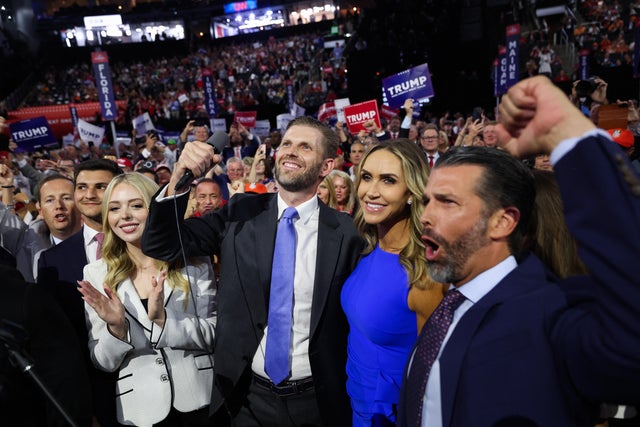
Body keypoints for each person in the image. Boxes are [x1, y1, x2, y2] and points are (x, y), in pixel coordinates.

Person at [397, 75, 640, 426]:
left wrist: (571, 136)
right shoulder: (450, 305)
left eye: (447, 202)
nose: (427, 216)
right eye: (427, 202)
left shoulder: (552, 312)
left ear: (502, 222)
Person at [141, 116, 364, 426]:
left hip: (318, 402)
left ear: (326, 167)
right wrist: (180, 177)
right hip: (246, 399)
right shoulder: (240, 212)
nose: (290, 151)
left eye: (304, 147)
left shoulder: (349, 234)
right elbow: (161, 244)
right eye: (286, 143)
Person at [77, 173, 216, 427]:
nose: (125, 216)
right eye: (115, 208)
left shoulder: (193, 260)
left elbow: (215, 333)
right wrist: (117, 329)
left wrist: (164, 321)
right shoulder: (96, 274)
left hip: (202, 403)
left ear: (156, 210)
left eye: (137, 205)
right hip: (140, 413)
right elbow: (103, 362)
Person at [341, 140, 445, 426]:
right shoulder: (368, 247)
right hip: (356, 404)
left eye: (388, 180)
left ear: (412, 191)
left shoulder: (425, 273)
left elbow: (435, 374)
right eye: (366, 177)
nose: (371, 191)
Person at [38, 159, 123, 426]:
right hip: (93, 394)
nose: (89, 195)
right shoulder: (51, 261)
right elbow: (56, 340)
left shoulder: (145, 246)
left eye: (100, 187)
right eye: (82, 187)